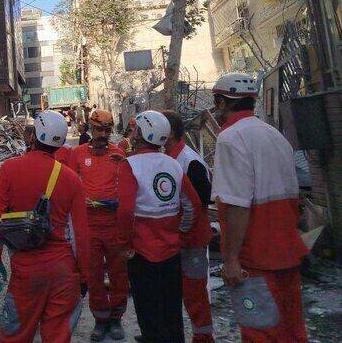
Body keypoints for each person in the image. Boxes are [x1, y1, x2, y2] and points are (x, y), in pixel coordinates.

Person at [210, 73, 309, 342]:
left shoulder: (230, 138)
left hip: (255, 258)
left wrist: (231, 259)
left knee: (260, 333)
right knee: (291, 330)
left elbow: (237, 205)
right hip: (286, 251)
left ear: (222, 102)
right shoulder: (275, 135)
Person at [0, 110, 91, 343]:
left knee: (16, 336)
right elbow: (81, 236)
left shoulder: (10, 169)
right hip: (63, 272)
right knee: (57, 337)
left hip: (25, 271)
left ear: (33, 136)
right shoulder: (71, 179)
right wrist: (83, 276)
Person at [116, 110, 202, 343]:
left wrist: (124, 244)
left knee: (148, 311)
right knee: (171, 308)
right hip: (171, 252)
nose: (132, 132)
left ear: (143, 133)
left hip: (141, 253)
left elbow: (125, 211)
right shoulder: (173, 164)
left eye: (136, 128)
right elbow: (192, 204)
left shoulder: (129, 165)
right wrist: (180, 231)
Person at [67, 109, 128, 341]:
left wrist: (120, 200)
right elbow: (69, 184)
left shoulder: (118, 154)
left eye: (107, 130)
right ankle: (101, 319)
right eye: (99, 129)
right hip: (90, 225)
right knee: (93, 274)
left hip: (113, 224)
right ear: (91, 129)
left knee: (118, 272)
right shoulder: (77, 154)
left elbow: (128, 185)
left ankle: (116, 318)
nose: (103, 134)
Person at [163, 110, 214, 343]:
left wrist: (181, 230)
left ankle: (203, 337)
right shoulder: (170, 158)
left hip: (191, 241)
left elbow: (199, 202)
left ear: (170, 133)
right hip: (177, 240)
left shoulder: (190, 161)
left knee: (195, 293)